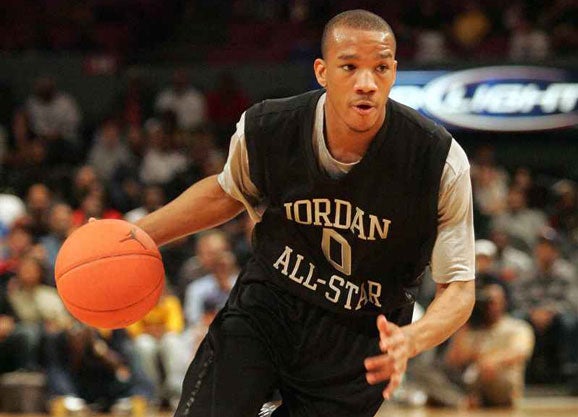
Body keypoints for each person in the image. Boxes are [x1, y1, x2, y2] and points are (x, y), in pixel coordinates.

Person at [133, 10, 475, 417]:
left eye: (380, 68)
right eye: (349, 66)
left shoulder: (438, 160)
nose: (366, 83)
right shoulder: (268, 128)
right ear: (322, 71)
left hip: (360, 336)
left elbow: (459, 288)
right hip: (270, 306)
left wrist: (413, 339)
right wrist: (135, 236)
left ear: (394, 72)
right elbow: (226, 193)